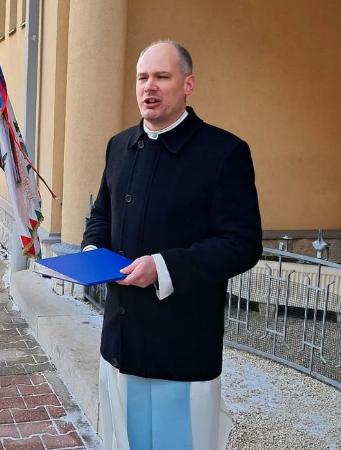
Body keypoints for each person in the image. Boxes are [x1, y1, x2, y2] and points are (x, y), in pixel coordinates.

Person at [82, 41, 262, 450]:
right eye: (143, 78)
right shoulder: (119, 145)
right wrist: (92, 253)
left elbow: (242, 243)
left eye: (162, 77)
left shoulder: (224, 152)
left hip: (182, 345)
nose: (150, 87)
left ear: (188, 84)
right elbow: (101, 216)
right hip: (121, 341)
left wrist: (164, 267)